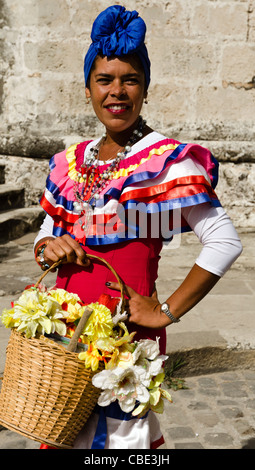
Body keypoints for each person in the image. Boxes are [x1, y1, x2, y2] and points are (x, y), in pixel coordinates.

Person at [34, 5, 242, 449]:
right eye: (104, 80)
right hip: (63, 342)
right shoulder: (73, 162)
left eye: (130, 80)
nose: (117, 92)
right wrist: (49, 246)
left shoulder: (163, 162)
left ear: (145, 89)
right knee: (59, 435)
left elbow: (223, 241)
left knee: (122, 445)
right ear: (87, 88)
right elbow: (46, 230)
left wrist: (166, 311)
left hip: (125, 337)